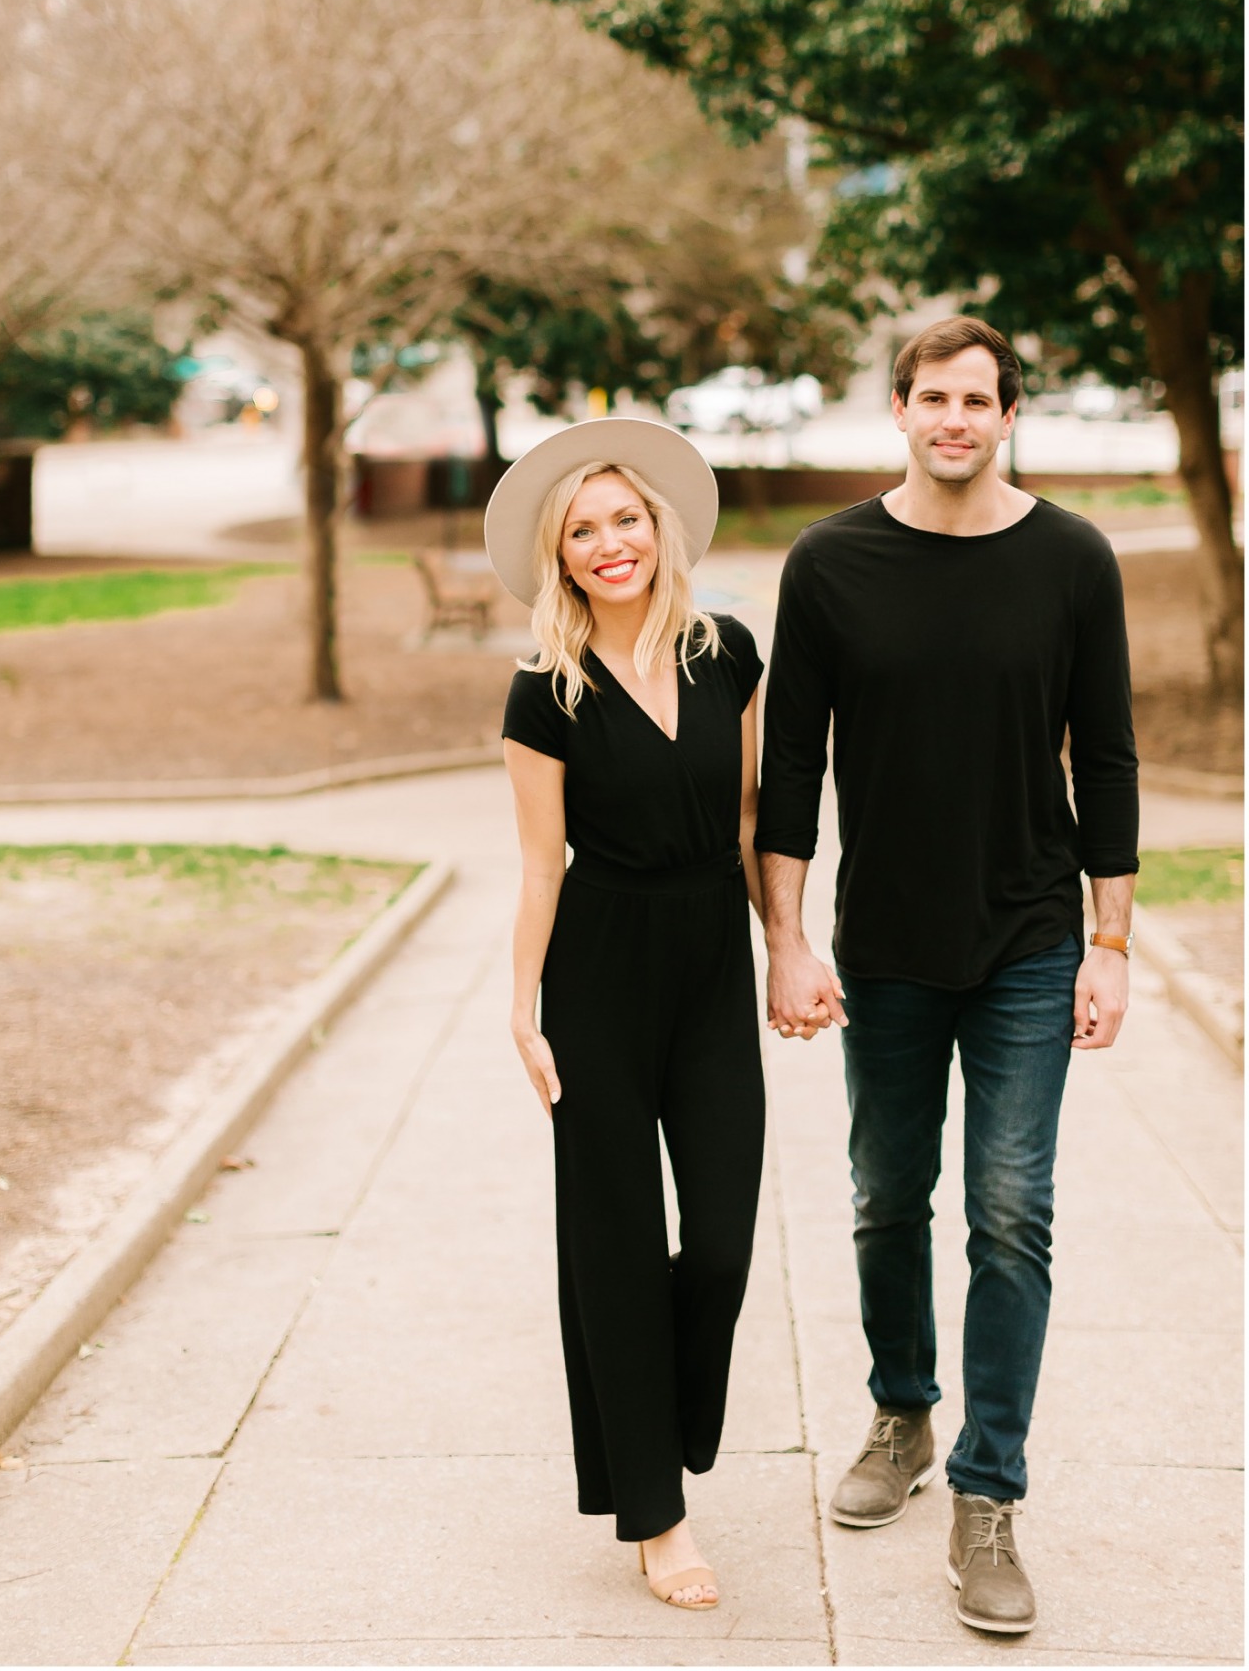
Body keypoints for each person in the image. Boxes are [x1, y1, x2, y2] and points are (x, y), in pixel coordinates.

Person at [755, 317, 1139, 1636]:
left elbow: (1115, 756)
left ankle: (989, 1495)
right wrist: (787, 938)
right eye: (933, 397)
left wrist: (1114, 940)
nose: (955, 419)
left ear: (1010, 413)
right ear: (901, 411)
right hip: (890, 946)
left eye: (978, 398)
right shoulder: (831, 564)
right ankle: (903, 1413)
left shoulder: (1075, 562)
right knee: (884, 1198)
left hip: (1031, 939)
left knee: (1011, 1212)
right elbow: (790, 769)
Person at [487, 417, 767, 1611]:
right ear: (560, 555)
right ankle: (656, 1513)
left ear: (662, 528)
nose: (611, 542)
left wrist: (790, 945)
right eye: (584, 529)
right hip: (596, 971)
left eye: (626, 519)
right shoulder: (541, 691)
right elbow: (541, 865)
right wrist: (520, 1002)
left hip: (710, 957)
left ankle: (656, 1419)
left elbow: (754, 826)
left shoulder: (728, 652)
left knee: (719, 1237)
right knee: (610, 1242)